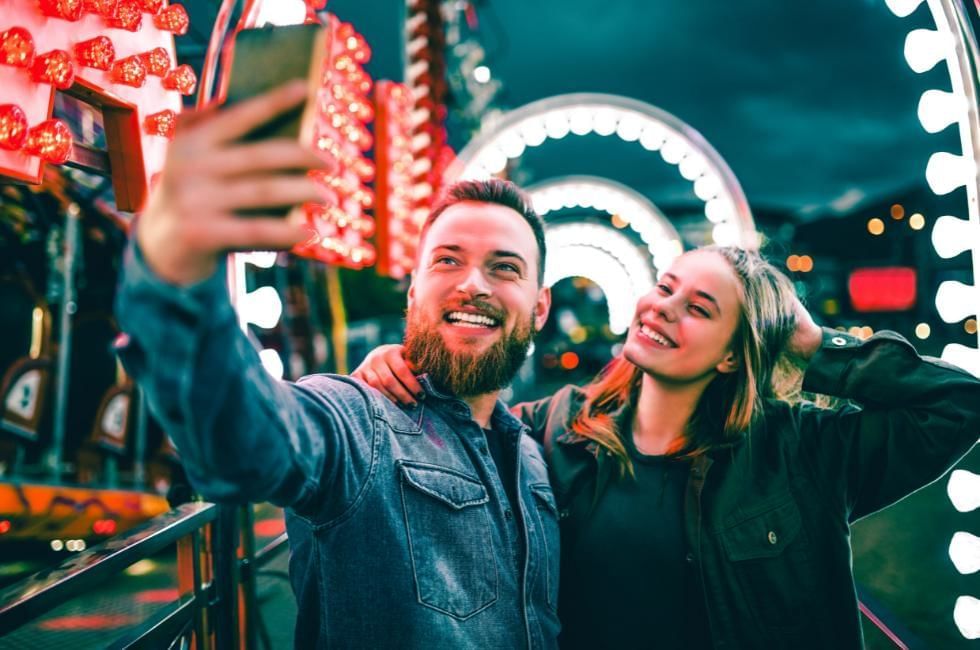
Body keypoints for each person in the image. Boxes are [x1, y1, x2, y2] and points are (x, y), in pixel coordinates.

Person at [114, 82, 561, 648]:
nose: (473, 285)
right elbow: (247, 440)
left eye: (505, 268)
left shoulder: (534, 454)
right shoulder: (358, 422)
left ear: (540, 307)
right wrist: (174, 268)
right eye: (448, 260)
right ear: (412, 292)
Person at [354, 245, 980, 649]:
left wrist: (811, 346)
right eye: (665, 286)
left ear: (737, 353)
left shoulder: (801, 453)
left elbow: (959, 404)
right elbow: (447, 436)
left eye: (699, 308)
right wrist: (401, 370)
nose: (663, 309)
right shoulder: (551, 428)